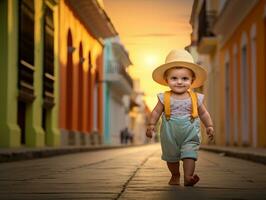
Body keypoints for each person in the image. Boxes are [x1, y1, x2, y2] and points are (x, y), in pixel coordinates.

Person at [146, 49, 214, 187]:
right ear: (166, 80)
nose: (179, 82)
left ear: (192, 80)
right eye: (174, 78)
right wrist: (151, 124)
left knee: (190, 153)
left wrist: (209, 126)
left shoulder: (196, 98)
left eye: (184, 78)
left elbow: (204, 113)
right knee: (171, 157)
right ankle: (175, 174)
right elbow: (156, 112)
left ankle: (188, 177)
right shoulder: (164, 97)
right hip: (170, 134)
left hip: (190, 132)